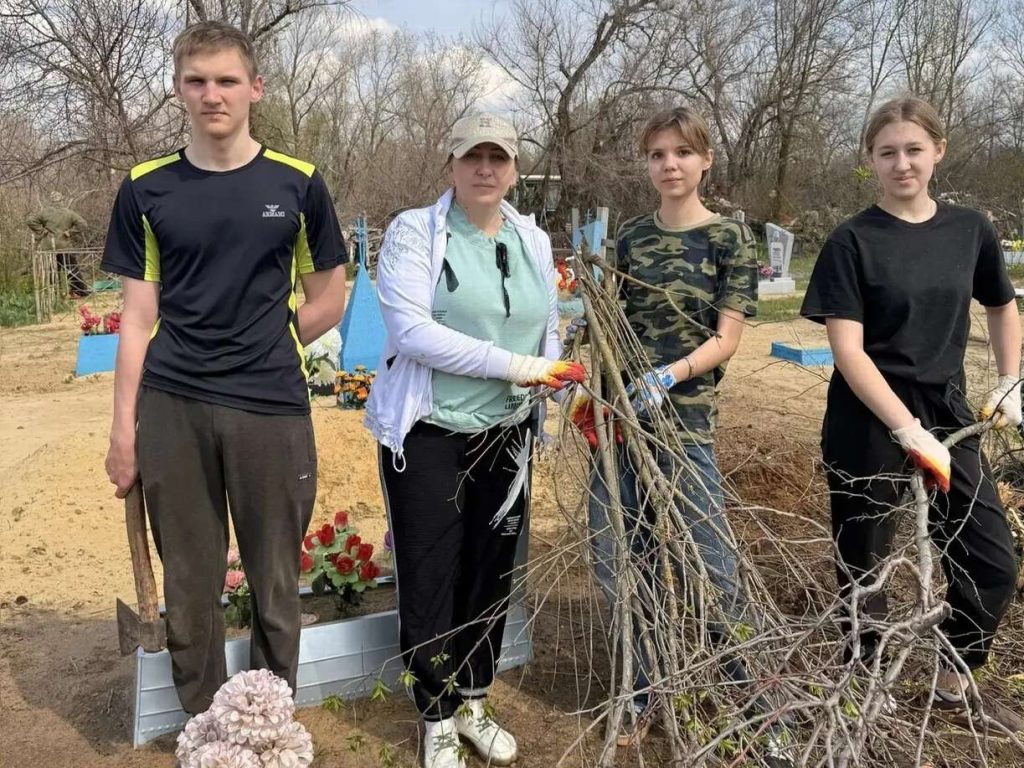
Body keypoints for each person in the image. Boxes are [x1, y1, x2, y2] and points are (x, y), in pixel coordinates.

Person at [101, 21, 348, 714]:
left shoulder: (298, 184)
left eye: (227, 80)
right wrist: (125, 433)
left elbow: (330, 295)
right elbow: (136, 318)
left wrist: (273, 339)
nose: (213, 94)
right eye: (198, 80)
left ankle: (268, 723)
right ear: (180, 89)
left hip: (270, 403)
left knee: (273, 580)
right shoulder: (146, 188)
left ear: (255, 89)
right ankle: (207, 728)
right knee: (190, 582)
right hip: (173, 405)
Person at [365, 113, 585, 768]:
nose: (485, 169)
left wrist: (552, 379)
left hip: (507, 434)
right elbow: (412, 332)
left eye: (499, 158)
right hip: (431, 435)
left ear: (514, 168)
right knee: (431, 573)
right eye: (473, 157)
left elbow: (547, 325)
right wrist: (519, 367)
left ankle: (473, 700)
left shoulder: (532, 239)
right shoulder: (414, 233)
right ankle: (433, 715)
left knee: (492, 571)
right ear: (452, 164)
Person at [573, 106, 789, 763]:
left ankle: (749, 700)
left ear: (705, 161)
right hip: (623, 430)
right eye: (657, 154)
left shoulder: (729, 240)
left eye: (681, 153)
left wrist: (670, 375)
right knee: (621, 563)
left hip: (686, 429)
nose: (669, 164)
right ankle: (638, 694)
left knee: (714, 572)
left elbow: (727, 338)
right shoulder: (631, 240)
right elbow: (607, 322)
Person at [801, 96, 1022, 727]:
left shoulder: (969, 230)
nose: (902, 163)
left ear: (938, 151)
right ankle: (866, 682)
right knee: (865, 559)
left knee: (989, 558)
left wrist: (1010, 381)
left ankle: (955, 674)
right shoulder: (852, 240)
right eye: (887, 152)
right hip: (868, 414)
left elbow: (1002, 306)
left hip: (947, 408)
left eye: (914, 150)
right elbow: (847, 349)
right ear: (870, 160)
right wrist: (905, 429)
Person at [26, 193, 90, 296]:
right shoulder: (69, 213)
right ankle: (80, 291)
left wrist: (42, 231)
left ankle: (55, 294)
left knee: (52, 271)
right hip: (64, 246)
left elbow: (30, 220)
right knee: (72, 269)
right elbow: (83, 225)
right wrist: (70, 232)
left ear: (50, 201)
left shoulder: (44, 213)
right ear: (62, 200)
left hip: (49, 247)